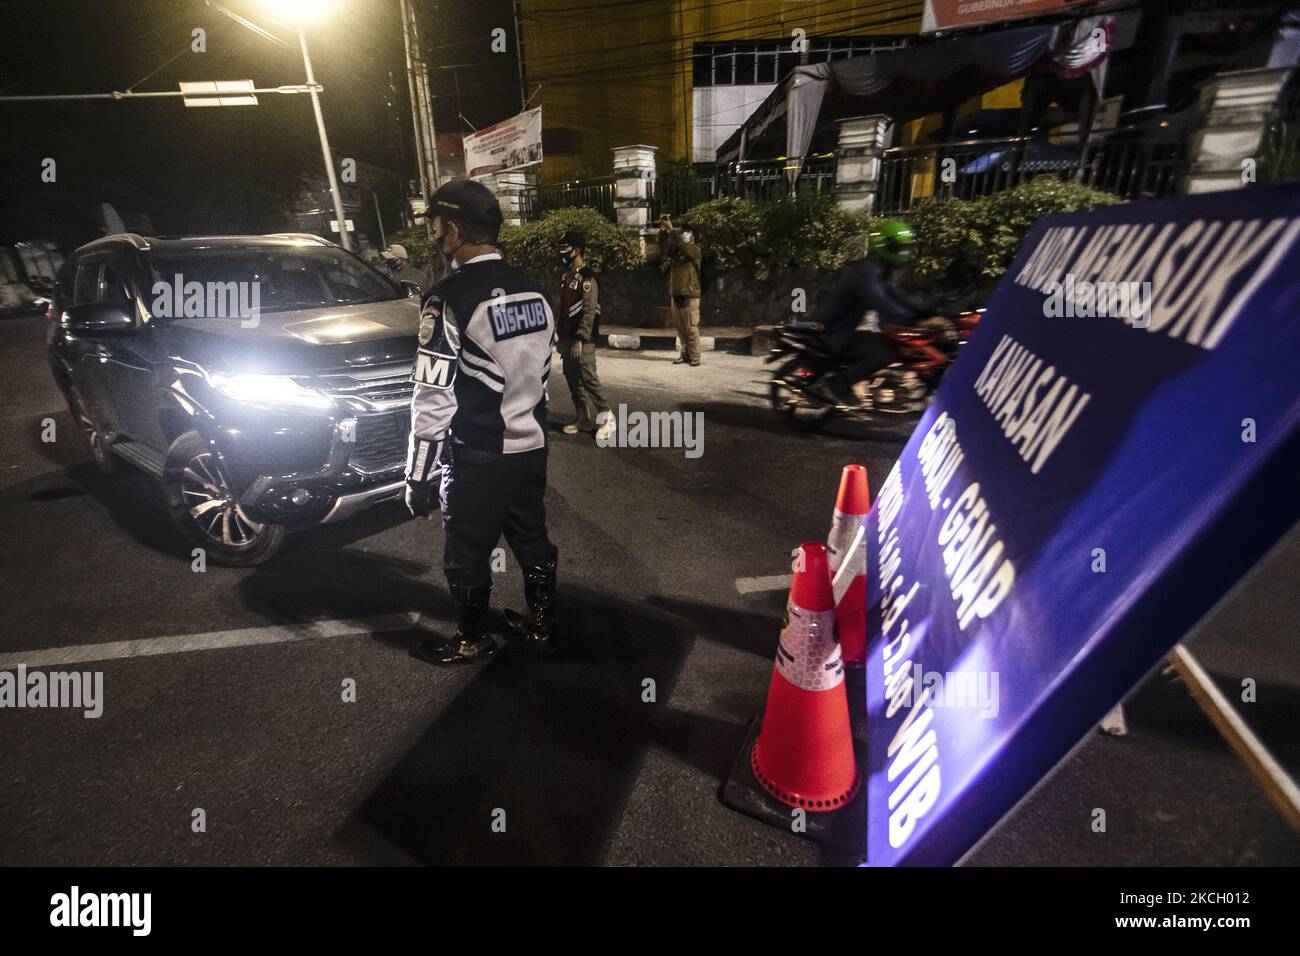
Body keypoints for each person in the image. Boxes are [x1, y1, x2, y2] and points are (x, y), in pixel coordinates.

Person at [404, 179, 559, 665]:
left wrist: (417, 475)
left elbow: (432, 395)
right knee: (532, 538)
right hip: (531, 447)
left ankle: (473, 638)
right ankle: (540, 624)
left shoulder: (447, 297)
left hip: (478, 457)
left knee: (466, 553)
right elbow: (545, 370)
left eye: (435, 228)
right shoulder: (537, 289)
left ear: (452, 231)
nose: (435, 238)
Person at [810, 218, 933, 406]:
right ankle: (836, 385)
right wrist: (915, 320)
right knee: (886, 352)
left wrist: (928, 313)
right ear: (885, 245)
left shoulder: (880, 269)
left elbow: (897, 296)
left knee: (891, 344)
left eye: (907, 248)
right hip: (835, 332)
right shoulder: (866, 271)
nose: (904, 253)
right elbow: (881, 301)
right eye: (899, 247)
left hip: (844, 329)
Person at [556, 230, 615, 441]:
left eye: (565, 248)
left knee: (589, 379)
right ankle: (582, 417)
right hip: (567, 339)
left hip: (582, 341)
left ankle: (607, 419)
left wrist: (580, 338)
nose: (561, 252)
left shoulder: (587, 278)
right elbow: (564, 311)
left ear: (577, 250)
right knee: (573, 380)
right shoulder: (568, 277)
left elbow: (590, 311)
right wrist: (560, 337)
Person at [657, 215, 703, 366]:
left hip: (690, 293)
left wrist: (672, 229)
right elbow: (664, 249)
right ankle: (685, 354)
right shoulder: (677, 252)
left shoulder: (695, 250)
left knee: (691, 327)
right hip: (676, 293)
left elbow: (685, 248)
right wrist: (663, 231)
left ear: (694, 236)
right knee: (680, 328)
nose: (684, 234)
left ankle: (695, 356)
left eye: (687, 232)